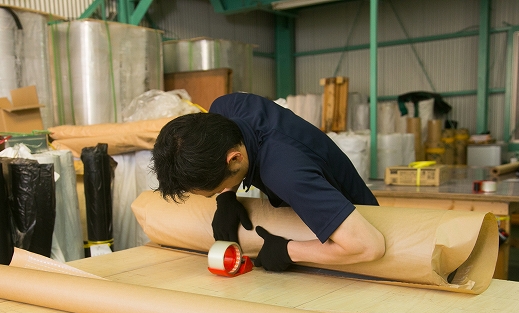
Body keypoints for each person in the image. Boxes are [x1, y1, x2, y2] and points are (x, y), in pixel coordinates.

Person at [151, 92, 385, 272]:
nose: (218, 192)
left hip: (354, 228)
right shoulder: (224, 110)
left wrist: (288, 251)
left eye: (216, 190)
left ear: (235, 159)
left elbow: (368, 246)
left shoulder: (286, 173)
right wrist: (227, 196)